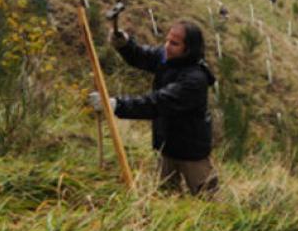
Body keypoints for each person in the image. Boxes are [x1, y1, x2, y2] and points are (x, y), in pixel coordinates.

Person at [89, 20, 219, 196]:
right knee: (167, 200)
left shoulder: (194, 80)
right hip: (166, 148)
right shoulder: (168, 58)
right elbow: (142, 55)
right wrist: (125, 44)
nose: (167, 46)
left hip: (192, 155)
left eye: (174, 43)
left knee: (208, 204)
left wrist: (115, 105)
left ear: (188, 49)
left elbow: (157, 103)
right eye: (167, 40)